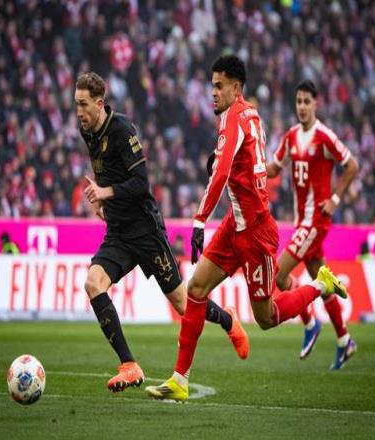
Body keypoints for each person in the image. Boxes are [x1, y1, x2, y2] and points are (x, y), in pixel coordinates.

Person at [145, 55, 347, 402]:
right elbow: (242, 161)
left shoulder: (232, 118)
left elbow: (222, 172)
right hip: (235, 224)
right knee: (196, 288)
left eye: (219, 86)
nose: (213, 92)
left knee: (266, 317)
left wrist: (199, 220)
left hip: (255, 232)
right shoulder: (251, 114)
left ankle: (320, 284)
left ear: (235, 87)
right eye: (212, 86)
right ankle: (180, 379)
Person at [75, 72, 249, 393]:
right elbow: (107, 173)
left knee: (183, 304)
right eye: (76, 104)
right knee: (93, 283)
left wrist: (106, 192)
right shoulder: (87, 131)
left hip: (145, 231)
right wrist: (102, 200)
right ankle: (129, 365)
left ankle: (228, 319)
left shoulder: (122, 130)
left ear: (99, 104)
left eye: (84, 105)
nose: (79, 112)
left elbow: (141, 183)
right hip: (118, 232)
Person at [266, 80, 359, 370]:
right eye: (299, 101)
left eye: (307, 101)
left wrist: (335, 199)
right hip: (302, 223)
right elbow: (273, 168)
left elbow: (352, 165)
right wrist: (250, 166)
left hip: (315, 221)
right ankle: (344, 340)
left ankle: (310, 322)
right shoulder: (291, 136)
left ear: (316, 104)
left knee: (278, 274)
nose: (302, 107)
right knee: (322, 278)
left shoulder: (324, 136)